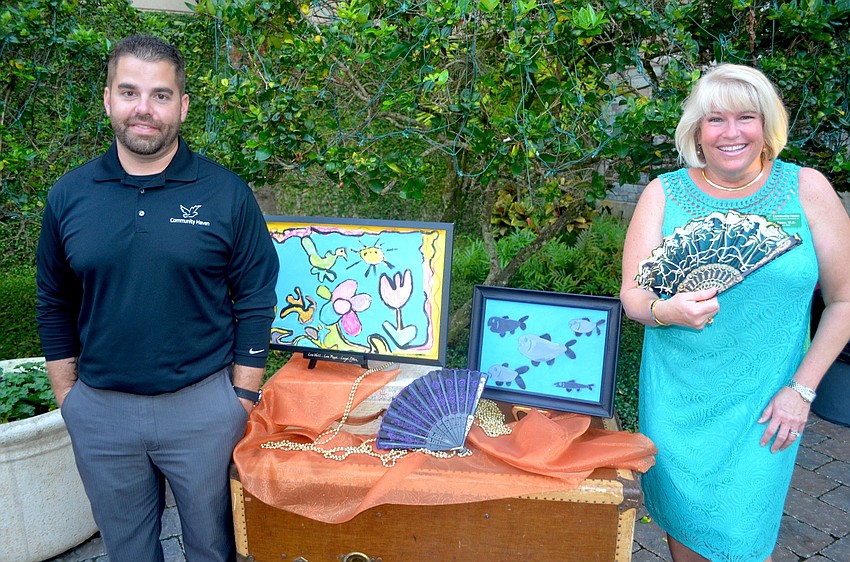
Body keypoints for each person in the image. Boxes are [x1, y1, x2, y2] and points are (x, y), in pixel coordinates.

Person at [35, 34, 279, 562]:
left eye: (161, 95)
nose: (143, 108)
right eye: (129, 92)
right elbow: (54, 301)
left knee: (215, 547)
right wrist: (70, 401)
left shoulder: (225, 194)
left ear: (183, 106)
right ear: (107, 100)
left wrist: (240, 400)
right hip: (100, 412)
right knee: (127, 551)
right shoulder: (69, 196)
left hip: (204, 409)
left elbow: (255, 298)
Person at [620, 64, 850, 561]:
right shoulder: (663, 194)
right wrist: (668, 310)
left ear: (767, 124)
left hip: (768, 403)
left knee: (745, 538)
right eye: (715, 119)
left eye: (746, 117)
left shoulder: (807, 189)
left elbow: (845, 301)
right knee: (688, 536)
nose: (730, 133)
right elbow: (634, 298)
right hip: (679, 402)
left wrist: (802, 390)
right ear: (697, 130)